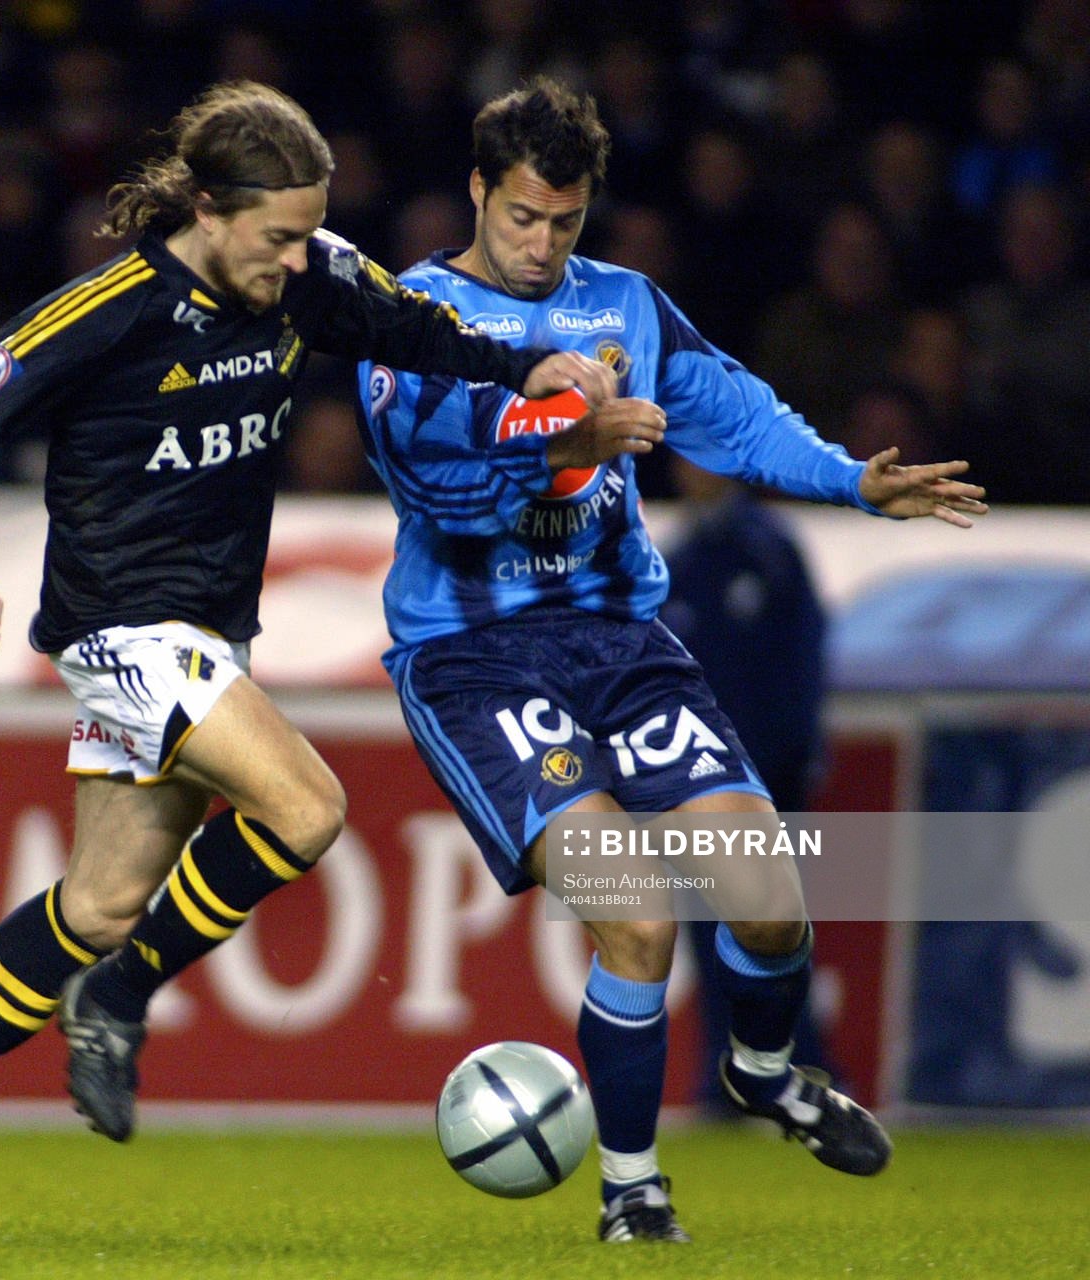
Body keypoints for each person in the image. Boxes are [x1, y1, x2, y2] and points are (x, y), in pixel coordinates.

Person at [0, 80, 615, 1230]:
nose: (298, 261)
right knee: (306, 809)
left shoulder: (313, 273)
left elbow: (408, 322)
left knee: (98, 903)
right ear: (206, 206)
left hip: (210, 631)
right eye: (277, 236)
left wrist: (522, 369)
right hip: (123, 629)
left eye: (310, 232)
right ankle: (126, 987)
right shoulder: (112, 309)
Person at [355, 77, 987, 1245]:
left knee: (768, 901)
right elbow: (431, 488)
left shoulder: (626, 307)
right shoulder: (412, 319)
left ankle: (762, 1070)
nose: (543, 246)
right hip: (476, 657)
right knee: (635, 910)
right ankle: (633, 1188)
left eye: (566, 222)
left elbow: (730, 412)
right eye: (521, 218)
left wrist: (851, 478)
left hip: (623, 642)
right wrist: (567, 438)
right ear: (480, 193)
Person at [659, 455, 835, 1110]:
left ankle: (802, 1066)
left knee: (774, 924)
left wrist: (800, 751)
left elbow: (804, 657)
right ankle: (727, 1075)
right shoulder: (676, 558)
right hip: (692, 783)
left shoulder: (769, 550)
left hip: (762, 776)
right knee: (710, 930)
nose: (688, 470)